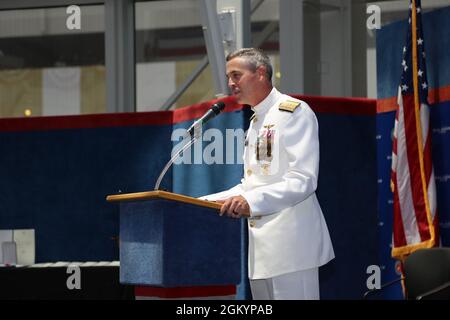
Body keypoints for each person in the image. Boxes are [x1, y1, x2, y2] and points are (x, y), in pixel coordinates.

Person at [200, 48, 334, 300]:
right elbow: (251, 185)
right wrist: (200, 203)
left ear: (260, 73)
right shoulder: (256, 121)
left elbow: (303, 180)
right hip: (262, 254)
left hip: (293, 250)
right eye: (229, 77)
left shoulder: (294, 112)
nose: (230, 83)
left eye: (236, 75)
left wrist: (250, 202)